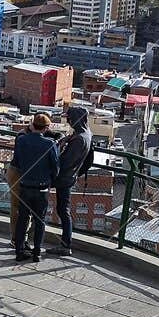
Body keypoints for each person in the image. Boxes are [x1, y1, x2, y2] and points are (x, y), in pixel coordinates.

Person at [9, 113, 57, 262]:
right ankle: (37, 253)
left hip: (25, 186)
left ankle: (19, 251)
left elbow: (16, 162)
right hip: (42, 188)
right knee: (39, 220)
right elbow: (55, 168)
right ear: (46, 128)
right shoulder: (50, 144)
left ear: (32, 125)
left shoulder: (22, 140)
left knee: (22, 218)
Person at [50, 106, 94, 256]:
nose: (68, 121)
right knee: (63, 210)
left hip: (64, 178)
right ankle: (64, 243)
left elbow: (64, 162)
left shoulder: (79, 139)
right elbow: (89, 161)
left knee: (63, 211)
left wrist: (59, 147)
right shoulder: (86, 134)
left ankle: (65, 244)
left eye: (69, 118)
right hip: (70, 176)